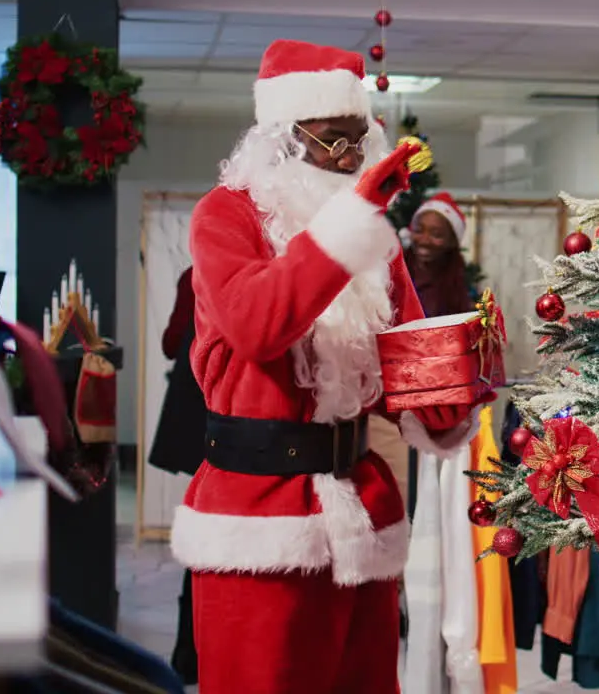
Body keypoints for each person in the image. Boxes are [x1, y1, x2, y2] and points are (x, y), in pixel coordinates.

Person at [168, 39, 489, 694]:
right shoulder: (225, 216)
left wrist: (453, 397)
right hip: (258, 514)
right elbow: (258, 325)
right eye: (331, 141)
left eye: (357, 139)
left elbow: (402, 363)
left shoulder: (369, 236)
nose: (347, 159)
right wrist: (348, 227)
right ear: (284, 136)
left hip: (362, 509)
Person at [147, 266, 206, 684]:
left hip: (199, 417)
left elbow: (172, 343)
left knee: (203, 535)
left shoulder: (193, 273)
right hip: (238, 419)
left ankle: (187, 655)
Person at [405, 192, 474, 317]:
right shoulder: (390, 274)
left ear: (452, 241)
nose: (424, 240)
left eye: (436, 234)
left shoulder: (457, 290)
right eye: (418, 230)